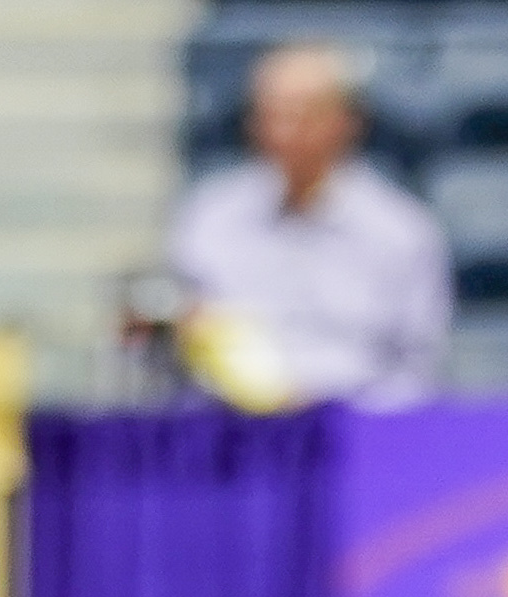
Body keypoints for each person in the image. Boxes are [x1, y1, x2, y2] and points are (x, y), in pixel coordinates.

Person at [162, 39, 452, 411]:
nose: (283, 132)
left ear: (346, 122)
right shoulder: (207, 218)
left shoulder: (402, 230)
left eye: (302, 115)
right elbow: (181, 345)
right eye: (270, 115)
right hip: (230, 434)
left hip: (354, 437)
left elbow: (417, 370)